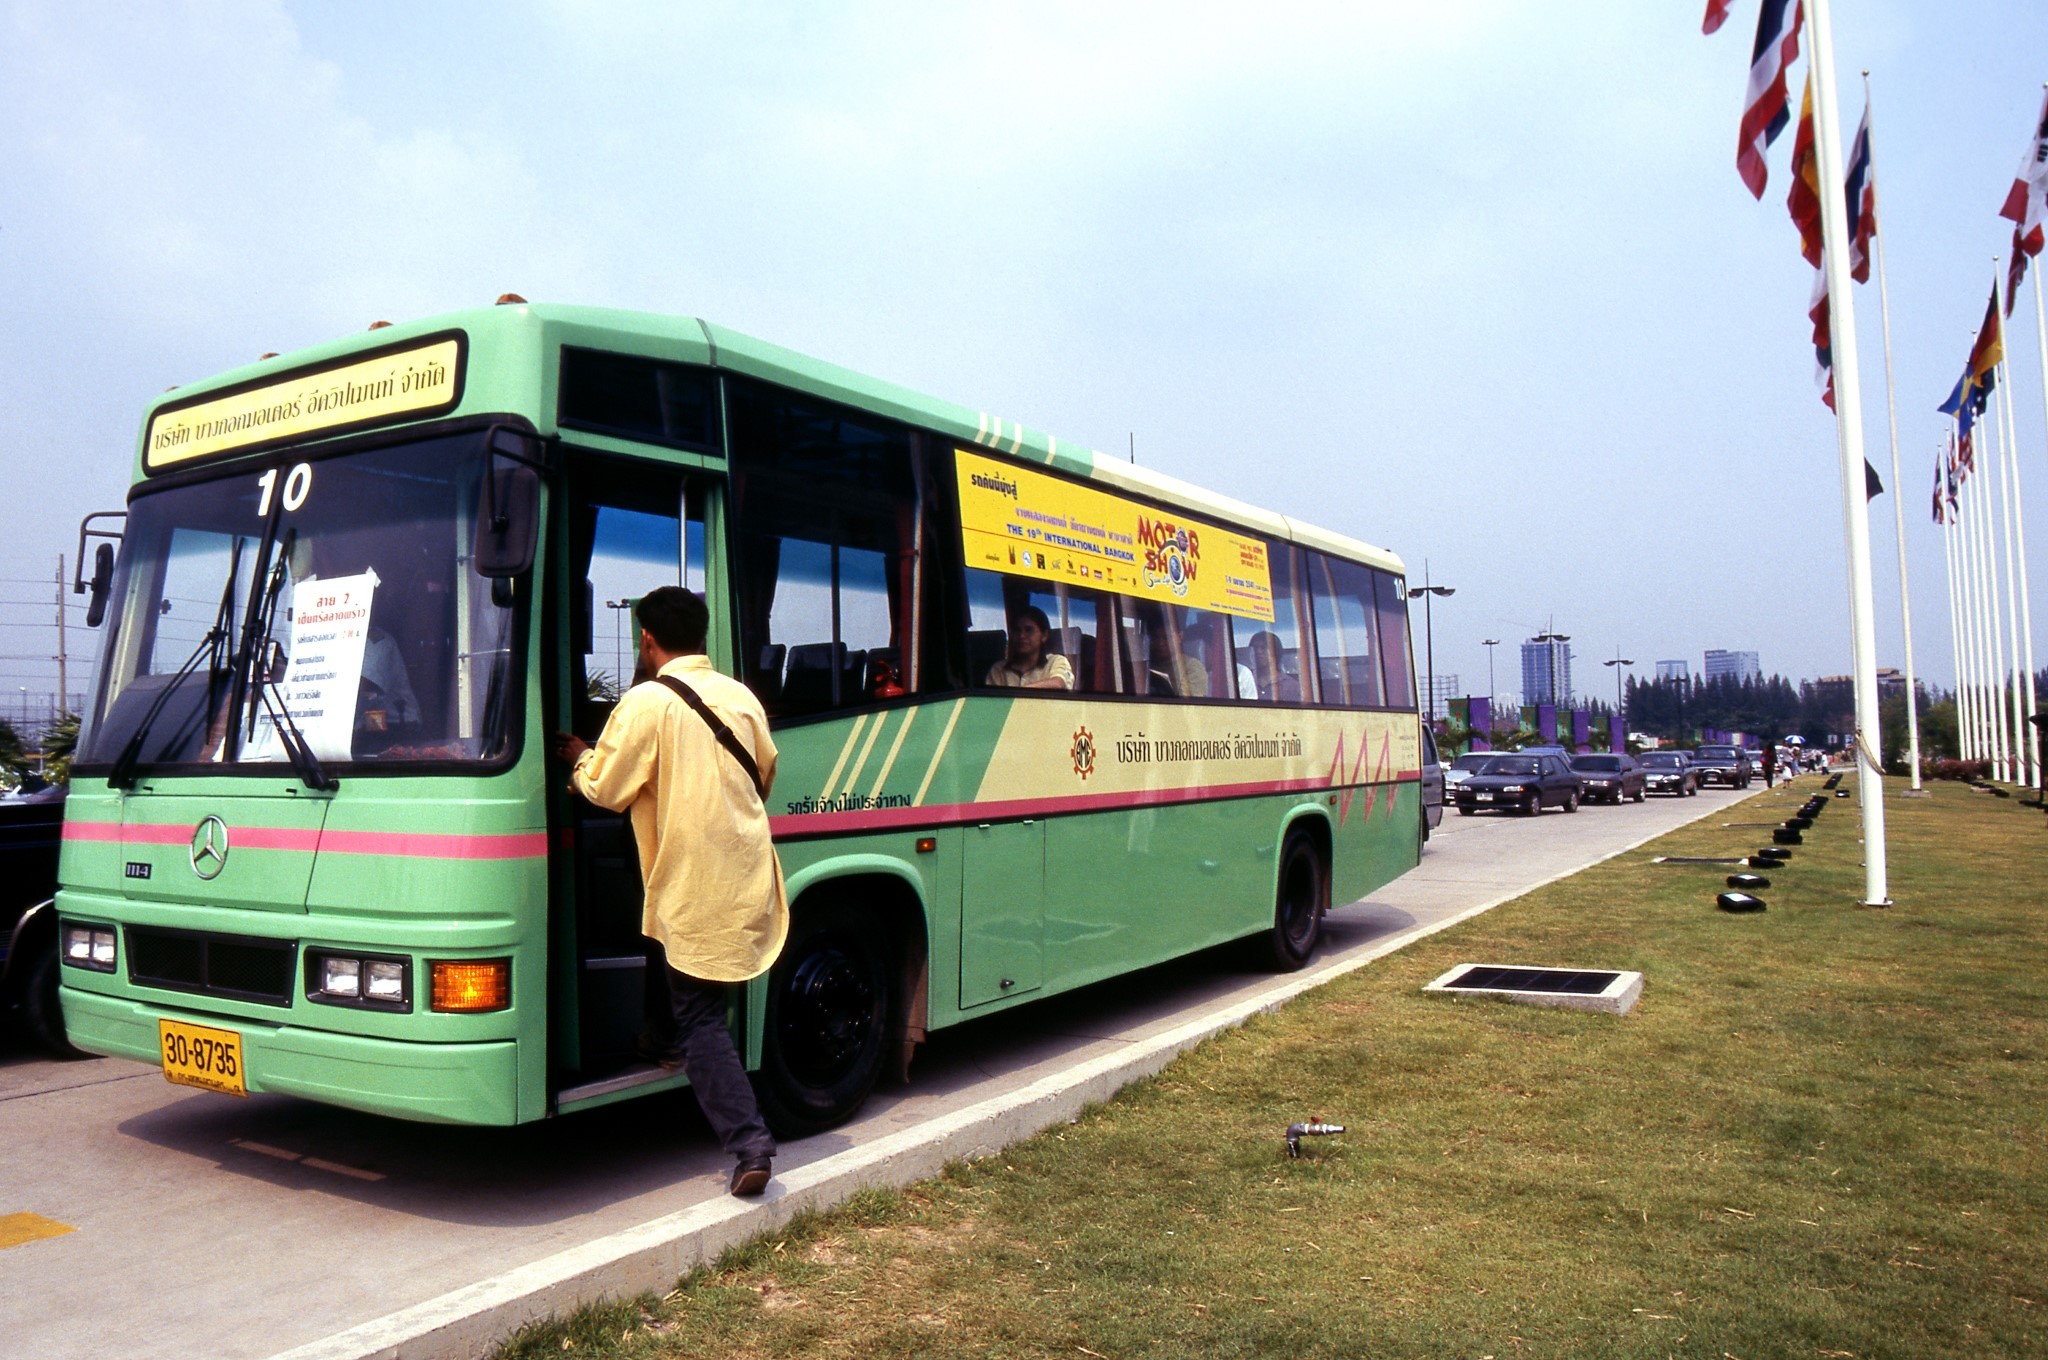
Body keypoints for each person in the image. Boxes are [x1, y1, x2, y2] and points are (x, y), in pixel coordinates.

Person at [552, 586, 788, 1198]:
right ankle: (657, 1039)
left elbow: (606, 788)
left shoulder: (646, 702)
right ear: (702, 636)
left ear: (647, 640)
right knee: (675, 961)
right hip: (745, 868)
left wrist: (580, 758)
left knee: (700, 1017)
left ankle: (750, 1144)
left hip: (691, 878)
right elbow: (764, 774)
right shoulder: (740, 697)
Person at [984, 605, 1073, 690]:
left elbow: (1058, 683)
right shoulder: (998, 669)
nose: (1021, 636)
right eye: (1017, 630)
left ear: (1044, 636)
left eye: (1029, 630)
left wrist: (1017, 693)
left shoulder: (1056, 661)